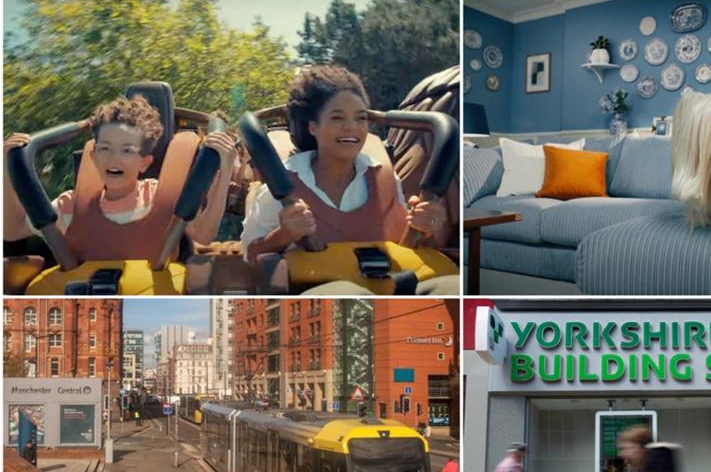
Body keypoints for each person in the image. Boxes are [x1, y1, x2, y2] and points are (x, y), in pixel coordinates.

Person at [239, 65, 455, 294]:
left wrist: (423, 226)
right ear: (313, 126)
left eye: (360, 118)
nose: (351, 127)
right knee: (348, 293)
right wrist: (283, 235)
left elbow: (403, 251)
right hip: (316, 288)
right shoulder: (282, 182)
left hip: (387, 286)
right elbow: (250, 258)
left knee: (452, 286)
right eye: (337, 118)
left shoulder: (383, 177)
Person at [4, 95, 237, 258]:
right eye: (105, 148)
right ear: (93, 157)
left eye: (127, 151)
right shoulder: (71, 205)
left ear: (144, 162)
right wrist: (5, 167)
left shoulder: (163, 197)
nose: (114, 159)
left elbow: (203, 236)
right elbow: (11, 231)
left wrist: (225, 171)